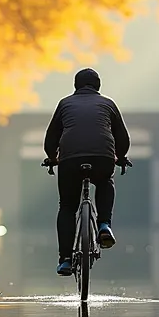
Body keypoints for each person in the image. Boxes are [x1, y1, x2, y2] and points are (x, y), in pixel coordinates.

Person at [42, 68, 130, 277]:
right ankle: (104, 225)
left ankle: (64, 260)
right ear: (98, 86)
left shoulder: (64, 103)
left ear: (75, 86)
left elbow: (51, 137)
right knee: (105, 180)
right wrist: (121, 156)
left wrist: (52, 157)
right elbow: (122, 138)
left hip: (70, 160)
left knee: (67, 207)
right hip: (103, 158)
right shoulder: (108, 104)